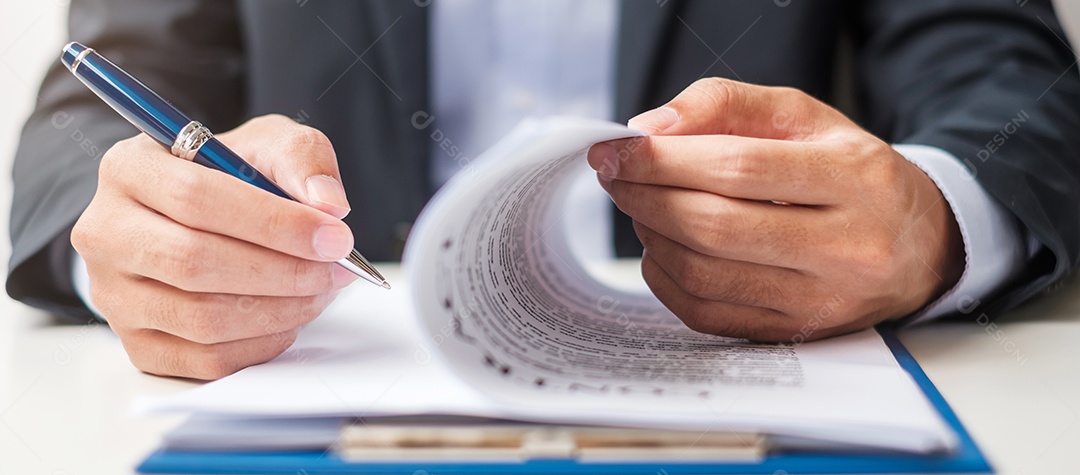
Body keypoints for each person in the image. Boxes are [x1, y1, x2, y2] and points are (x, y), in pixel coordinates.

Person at [8, 0, 1080, 380]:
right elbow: (92, 110)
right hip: (339, 375)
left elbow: (1012, 79)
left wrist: (931, 221)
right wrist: (147, 245)